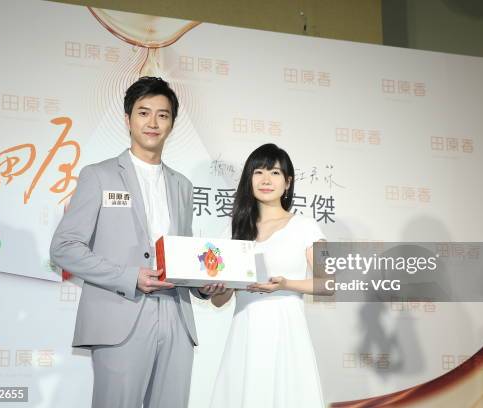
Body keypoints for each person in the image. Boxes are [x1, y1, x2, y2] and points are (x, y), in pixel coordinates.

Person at [50, 76, 224, 408]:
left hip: (176, 316)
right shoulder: (98, 175)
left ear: (172, 124)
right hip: (122, 315)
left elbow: (180, 255)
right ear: (127, 119)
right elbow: (64, 247)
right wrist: (130, 277)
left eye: (163, 114)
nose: (153, 122)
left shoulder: (183, 186)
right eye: (144, 113)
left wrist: (204, 285)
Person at [209, 143, 326, 408]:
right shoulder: (232, 229)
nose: (265, 180)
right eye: (258, 172)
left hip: (286, 331)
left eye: (274, 173)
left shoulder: (305, 226)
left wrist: (286, 284)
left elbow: (330, 282)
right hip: (245, 330)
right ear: (248, 179)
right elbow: (218, 302)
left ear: (288, 182)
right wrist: (220, 287)